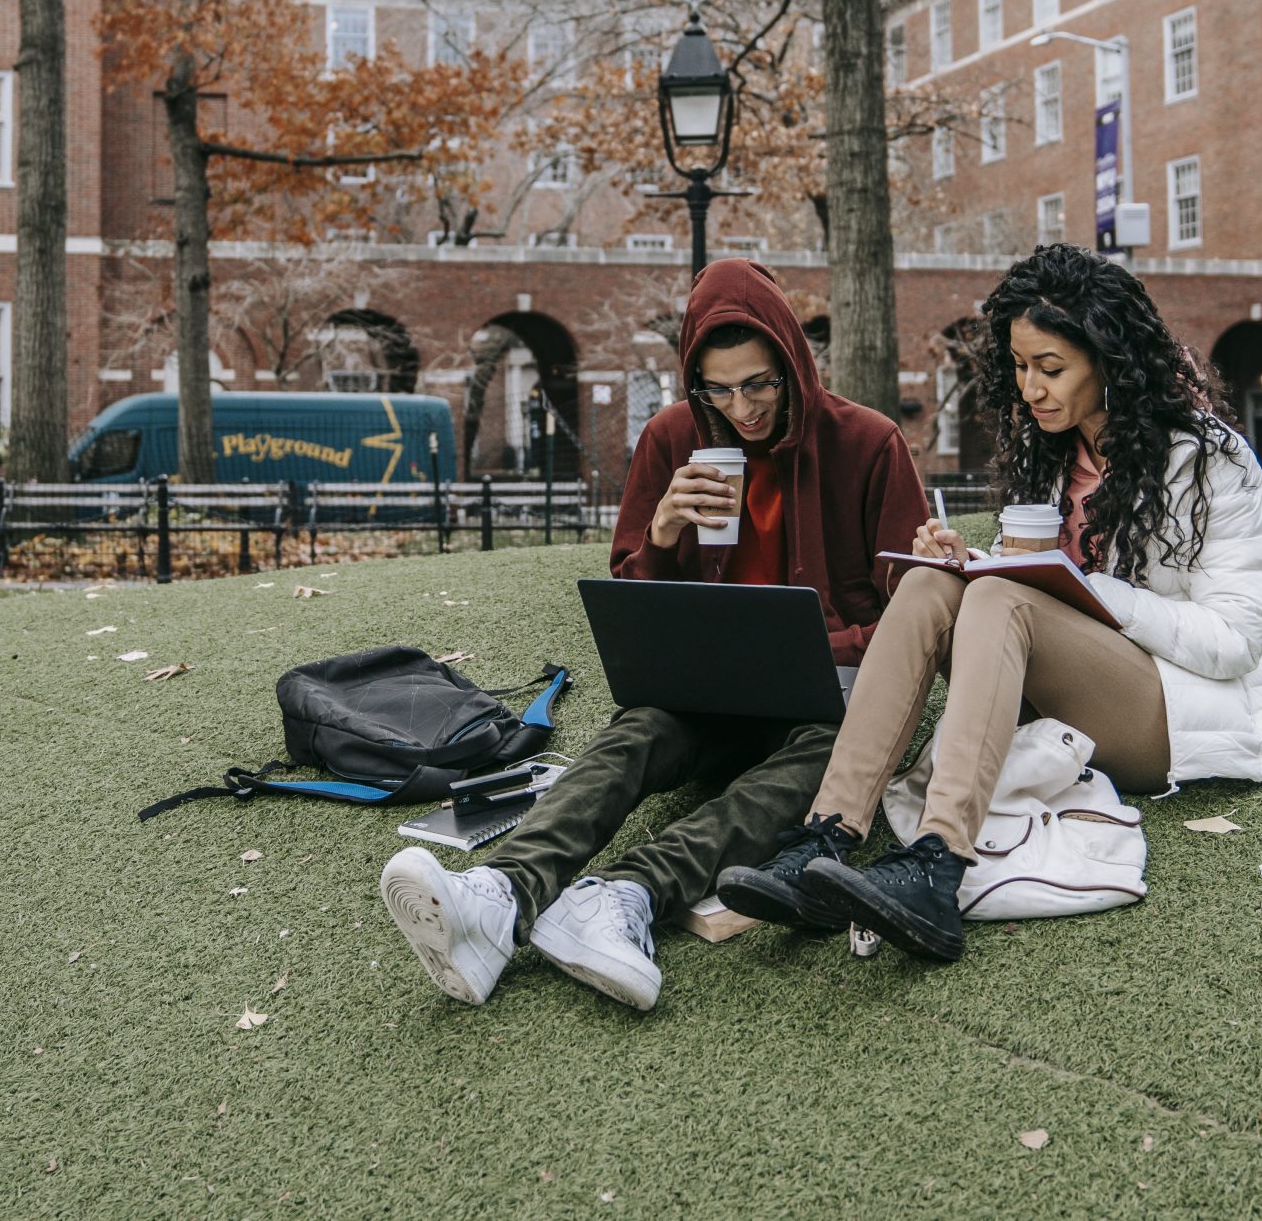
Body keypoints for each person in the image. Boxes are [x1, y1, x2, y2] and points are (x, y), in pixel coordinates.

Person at [378, 258, 927, 1011]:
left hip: (824, 699)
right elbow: (633, 604)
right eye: (720, 388)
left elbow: (911, 611)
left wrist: (840, 637)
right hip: (709, 694)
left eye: (762, 382)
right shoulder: (672, 438)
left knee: (824, 757)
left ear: (795, 363)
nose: (745, 407)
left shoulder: (869, 442)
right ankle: (499, 894)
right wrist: (664, 531)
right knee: (637, 729)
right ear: (692, 381)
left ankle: (625, 895)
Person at [719, 243, 1262, 960]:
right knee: (932, 582)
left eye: (1051, 368)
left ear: (1110, 360)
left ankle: (937, 861)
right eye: (1020, 368)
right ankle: (825, 834)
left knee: (1001, 603)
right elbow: (1042, 589)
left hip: (1170, 709)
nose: (1031, 388)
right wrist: (975, 561)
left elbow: (1234, 639)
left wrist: (1079, 590)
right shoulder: (1055, 455)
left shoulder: (1209, 462)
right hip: (1063, 686)